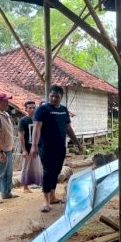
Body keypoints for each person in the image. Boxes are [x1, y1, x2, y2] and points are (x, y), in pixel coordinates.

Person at [31, 85, 83, 213]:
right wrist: (33, 146)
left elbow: (68, 128)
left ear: (62, 97)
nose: (54, 98)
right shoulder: (42, 110)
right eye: (52, 96)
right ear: (49, 96)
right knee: (48, 172)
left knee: (57, 171)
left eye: (57, 96)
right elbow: (37, 128)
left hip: (60, 147)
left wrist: (77, 143)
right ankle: (46, 201)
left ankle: (53, 196)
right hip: (46, 147)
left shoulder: (64, 110)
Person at [18, 100, 40, 193]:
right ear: (26, 109)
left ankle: (37, 184)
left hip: (37, 147)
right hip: (27, 147)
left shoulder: (38, 120)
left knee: (37, 167)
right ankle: (25, 187)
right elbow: (21, 136)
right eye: (30, 108)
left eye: (34, 107)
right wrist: (24, 150)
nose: (32, 109)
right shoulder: (23, 120)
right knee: (26, 168)